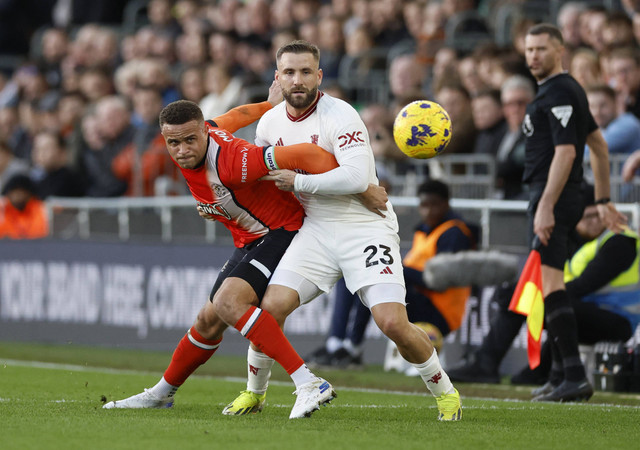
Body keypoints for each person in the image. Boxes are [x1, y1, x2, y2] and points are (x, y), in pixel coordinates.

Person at [224, 40, 462, 421]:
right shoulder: (269, 123)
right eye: (289, 72)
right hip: (315, 230)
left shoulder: (342, 114)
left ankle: (446, 393)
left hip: (364, 227)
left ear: (319, 76)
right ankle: (255, 393)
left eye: (306, 72)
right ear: (278, 78)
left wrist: (302, 183)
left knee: (392, 322)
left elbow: (353, 176)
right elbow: (263, 175)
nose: (297, 80)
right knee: (270, 308)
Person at [102, 83, 345, 419]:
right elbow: (234, 116)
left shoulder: (235, 161)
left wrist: (355, 180)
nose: (183, 149)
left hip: (281, 230)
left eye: (190, 140)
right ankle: (161, 394)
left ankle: (308, 383)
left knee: (230, 302)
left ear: (203, 132)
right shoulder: (205, 130)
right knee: (207, 320)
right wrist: (267, 103)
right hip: (249, 238)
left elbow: (305, 153)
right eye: (173, 143)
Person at [519, 23, 626, 402]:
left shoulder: (561, 90)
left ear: (560, 50)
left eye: (541, 49)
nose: (533, 56)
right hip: (562, 196)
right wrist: (603, 200)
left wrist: (546, 205)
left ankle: (574, 377)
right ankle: (563, 373)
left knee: (551, 285)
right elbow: (597, 145)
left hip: (553, 196)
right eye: (529, 49)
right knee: (552, 282)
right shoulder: (562, 91)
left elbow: (567, 152)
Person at [447, 184, 639, 390]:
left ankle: (487, 363)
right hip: (592, 314)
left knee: (544, 302)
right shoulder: (582, 242)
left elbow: (582, 287)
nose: (593, 223)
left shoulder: (620, 241)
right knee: (531, 298)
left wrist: (528, 295)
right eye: (586, 217)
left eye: (596, 216)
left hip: (619, 321)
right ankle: (536, 369)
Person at [403, 180, 476, 342]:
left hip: (442, 312)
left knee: (389, 279)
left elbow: (440, 282)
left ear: (446, 204)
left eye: (434, 205)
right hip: (422, 300)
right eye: (423, 205)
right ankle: (350, 342)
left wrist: (402, 271)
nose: (428, 211)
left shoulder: (454, 234)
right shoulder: (423, 231)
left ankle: (353, 344)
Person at [0, 173, 49, 239]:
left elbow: (40, 233)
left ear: (30, 194)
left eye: (22, 191)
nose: (18, 195)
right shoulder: (2, 209)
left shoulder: (41, 209)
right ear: (8, 193)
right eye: (14, 191)